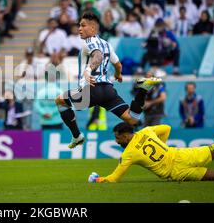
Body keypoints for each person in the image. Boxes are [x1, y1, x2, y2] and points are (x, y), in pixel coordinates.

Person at [54, 12, 162, 149]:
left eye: (83, 25)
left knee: (59, 100)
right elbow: (118, 64)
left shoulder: (88, 43)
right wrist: (118, 75)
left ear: (93, 29)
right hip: (107, 90)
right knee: (132, 118)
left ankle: (77, 136)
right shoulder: (107, 44)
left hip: (91, 89)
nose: (79, 29)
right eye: (79, 26)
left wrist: (88, 70)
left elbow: (97, 56)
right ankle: (142, 90)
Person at [88, 122, 214, 183]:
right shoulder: (147, 131)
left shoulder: (128, 154)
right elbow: (166, 128)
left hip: (176, 172)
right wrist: (162, 146)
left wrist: (98, 180)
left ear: (125, 136)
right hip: (177, 154)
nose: (117, 142)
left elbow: (114, 178)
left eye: (118, 138)